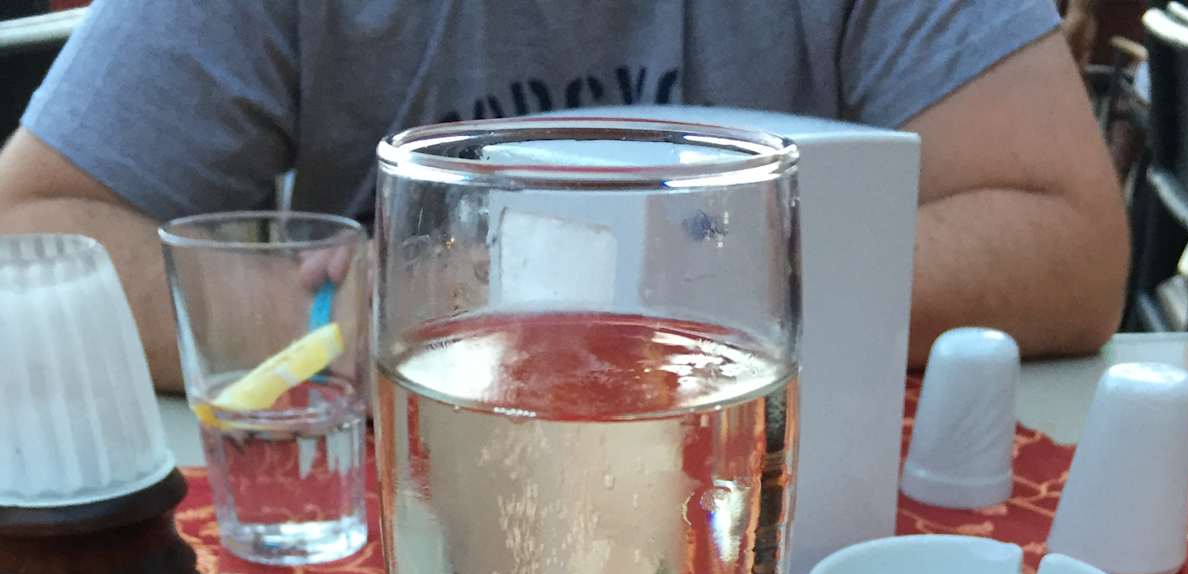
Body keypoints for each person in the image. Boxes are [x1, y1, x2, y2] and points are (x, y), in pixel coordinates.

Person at [0, 0, 1128, 389]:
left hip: (786, 516)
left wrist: (583, 281)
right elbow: (30, 229)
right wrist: (329, 318)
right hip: (414, 498)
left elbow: (1069, 245)